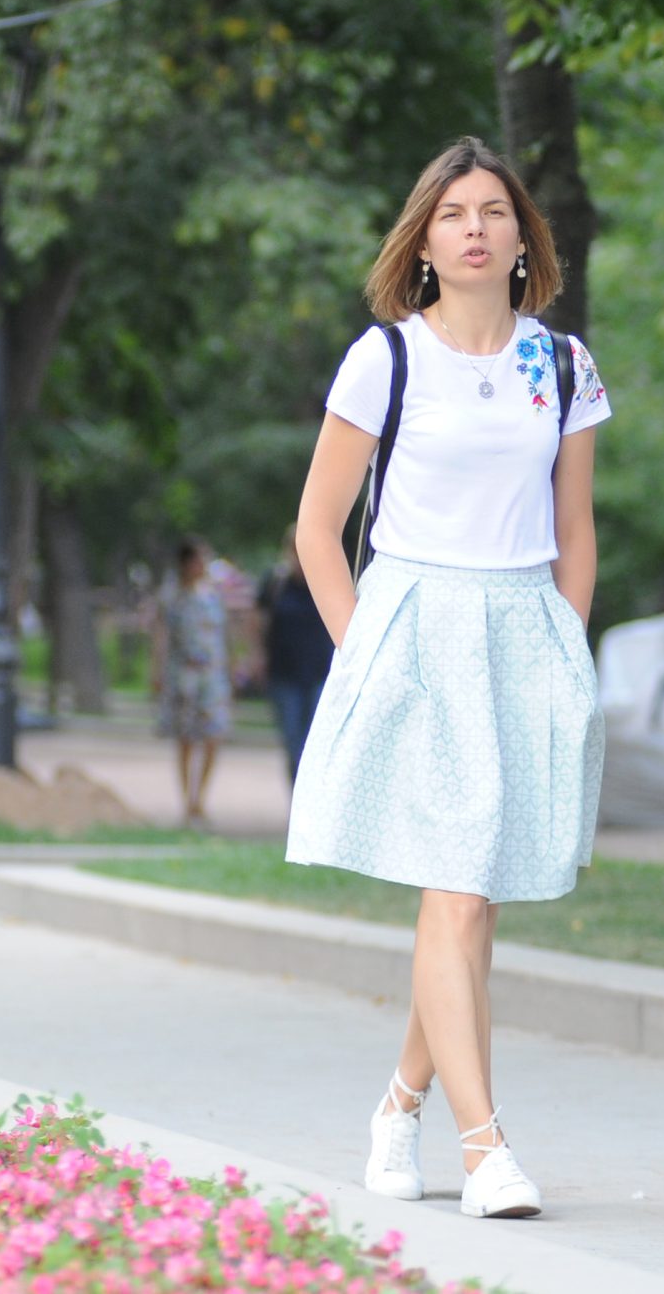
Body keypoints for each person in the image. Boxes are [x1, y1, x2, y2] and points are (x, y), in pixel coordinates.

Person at [285, 136, 609, 1221]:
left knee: (472, 899)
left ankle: (397, 1105)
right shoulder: (386, 357)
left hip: (523, 626)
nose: (474, 229)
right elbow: (318, 530)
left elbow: (575, 528)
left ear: (524, 238)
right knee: (457, 893)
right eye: (452, 213)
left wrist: (567, 644)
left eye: (494, 213)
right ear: (423, 239)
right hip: (414, 625)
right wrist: (363, 649)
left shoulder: (559, 364)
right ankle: (485, 1151)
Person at [150, 537, 232, 826]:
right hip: (183, 677)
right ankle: (188, 801)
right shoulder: (172, 598)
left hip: (212, 678)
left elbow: (223, 638)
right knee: (186, 740)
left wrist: (230, 673)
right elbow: (161, 638)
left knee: (213, 737)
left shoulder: (213, 597)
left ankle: (201, 798)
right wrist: (157, 671)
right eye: (198, 559)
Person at [260, 530, 334, 784]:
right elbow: (259, 622)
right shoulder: (276, 584)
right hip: (284, 674)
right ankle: (297, 800)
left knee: (317, 743)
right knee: (293, 742)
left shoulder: (327, 579)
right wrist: (257, 657)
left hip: (320, 673)